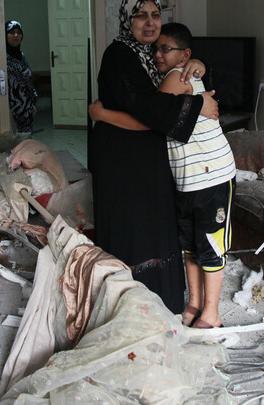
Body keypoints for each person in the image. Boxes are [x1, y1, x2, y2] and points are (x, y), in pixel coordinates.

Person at [90, 22, 235, 328]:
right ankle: (194, 304)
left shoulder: (175, 77)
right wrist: (198, 72)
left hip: (210, 175)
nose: (157, 53)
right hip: (189, 178)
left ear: (184, 54)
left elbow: (151, 115)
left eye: (165, 49)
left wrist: (101, 115)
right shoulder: (163, 70)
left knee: (210, 245)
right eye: (156, 49)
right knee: (191, 244)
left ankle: (211, 313)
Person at [5, 20, 38, 133]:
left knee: (26, 140)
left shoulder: (21, 56)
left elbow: (28, 80)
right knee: (13, 141)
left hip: (26, 110)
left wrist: (33, 104)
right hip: (11, 111)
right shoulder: (1, 58)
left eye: (19, 32)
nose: (16, 35)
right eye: (12, 32)